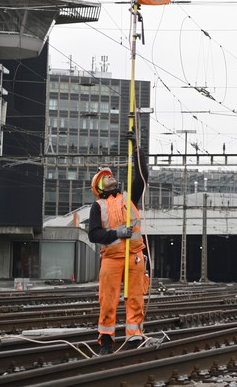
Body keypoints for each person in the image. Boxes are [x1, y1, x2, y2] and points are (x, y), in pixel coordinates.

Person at [88, 137, 149, 355]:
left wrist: (137, 152)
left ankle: (134, 337)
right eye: (105, 178)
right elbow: (93, 234)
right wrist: (116, 233)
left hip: (134, 255)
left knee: (135, 297)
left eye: (111, 176)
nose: (110, 178)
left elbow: (142, 178)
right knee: (108, 300)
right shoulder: (98, 207)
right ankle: (106, 340)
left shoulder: (129, 196)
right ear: (99, 187)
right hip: (111, 258)